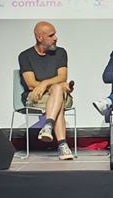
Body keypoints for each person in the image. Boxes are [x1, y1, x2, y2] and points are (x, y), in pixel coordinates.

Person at [18, 21, 75, 160]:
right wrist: (55, 87)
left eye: (55, 34)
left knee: (57, 91)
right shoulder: (25, 56)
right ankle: (62, 145)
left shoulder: (61, 52)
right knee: (58, 94)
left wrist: (45, 83)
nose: (55, 38)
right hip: (36, 96)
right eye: (51, 35)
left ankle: (48, 125)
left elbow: (62, 77)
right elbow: (31, 84)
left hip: (57, 94)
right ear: (40, 37)